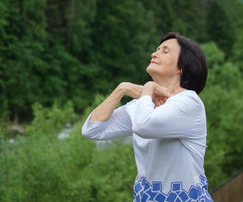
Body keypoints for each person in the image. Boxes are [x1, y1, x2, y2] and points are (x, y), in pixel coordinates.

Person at [82, 32, 213, 202]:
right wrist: (122, 89)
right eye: (157, 49)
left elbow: (144, 125)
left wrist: (148, 87)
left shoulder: (189, 102)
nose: (154, 53)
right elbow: (91, 130)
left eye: (165, 51)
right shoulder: (143, 104)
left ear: (182, 67)